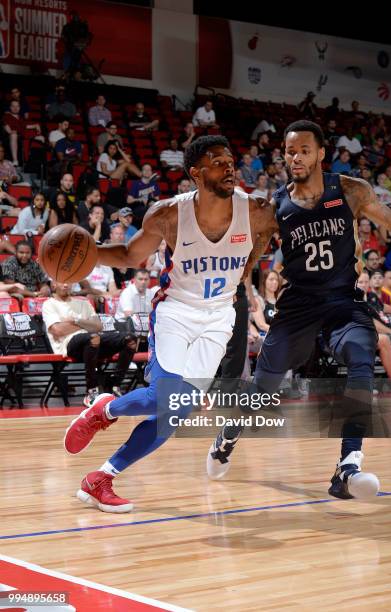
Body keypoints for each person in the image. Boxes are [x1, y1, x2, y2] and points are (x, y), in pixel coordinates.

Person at [63, 134, 275, 512]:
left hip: (219, 317)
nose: (229, 167)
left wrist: (249, 265)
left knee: (175, 413)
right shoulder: (169, 215)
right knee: (165, 396)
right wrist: (88, 254)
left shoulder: (256, 210)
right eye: (217, 161)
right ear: (196, 173)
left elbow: (269, 233)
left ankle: (100, 479)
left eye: (230, 160)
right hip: (176, 310)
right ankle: (104, 410)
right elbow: (129, 255)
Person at [207, 119, 391, 502]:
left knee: (361, 358)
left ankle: (348, 464)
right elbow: (253, 256)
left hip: (342, 301)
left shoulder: (351, 190)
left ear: (320, 154)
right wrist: (240, 287)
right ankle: (227, 436)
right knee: (265, 385)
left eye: (302, 150)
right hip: (297, 304)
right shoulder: (274, 206)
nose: (294, 157)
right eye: (289, 150)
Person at [43, 282, 138, 407]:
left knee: (130, 339)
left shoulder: (83, 303)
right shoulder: (49, 304)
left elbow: (98, 326)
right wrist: (86, 323)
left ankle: (114, 386)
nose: (66, 285)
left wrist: (75, 321)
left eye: (68, 281)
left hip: (93, 342)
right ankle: (91, 391)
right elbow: (58, 331)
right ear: (54, 285)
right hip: (68, 344)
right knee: (93, 337)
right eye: (62, 282)